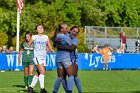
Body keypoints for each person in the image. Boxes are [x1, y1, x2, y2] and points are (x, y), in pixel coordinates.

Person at [28, 24, 54, 93]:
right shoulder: (34, 37)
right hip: (36, 56)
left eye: (41, 28)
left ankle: (31, 87)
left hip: (43, 57)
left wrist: (51, 49)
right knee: (43, 71)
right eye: (39, 28)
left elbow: (48, 44)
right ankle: (42, 89)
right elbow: (28, 44)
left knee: (38, 73)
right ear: (36, 30)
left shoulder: (46, 37)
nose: (40, 29)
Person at [59, 26, 82, 93]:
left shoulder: (75, 39)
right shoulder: (64, 36)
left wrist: (61, 47)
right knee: (63, 78)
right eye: (74, 31)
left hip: (73, 59)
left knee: (73, 75)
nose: (74, 33)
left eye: (76, 32)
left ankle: (79, 91)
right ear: (70, 30)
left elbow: (71, 48)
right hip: (64, 59)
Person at [52, 23, 74, 93]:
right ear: (61, 29)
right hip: (65, 58)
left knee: (60, 77)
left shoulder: (58, 36)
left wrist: (53, 39)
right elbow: (72, 46)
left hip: (58, 58)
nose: (67, 29)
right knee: (71, 75)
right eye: (66, 28)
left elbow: (54, 43)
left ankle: (54, 91)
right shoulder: (65, 37)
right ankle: (69, 91)